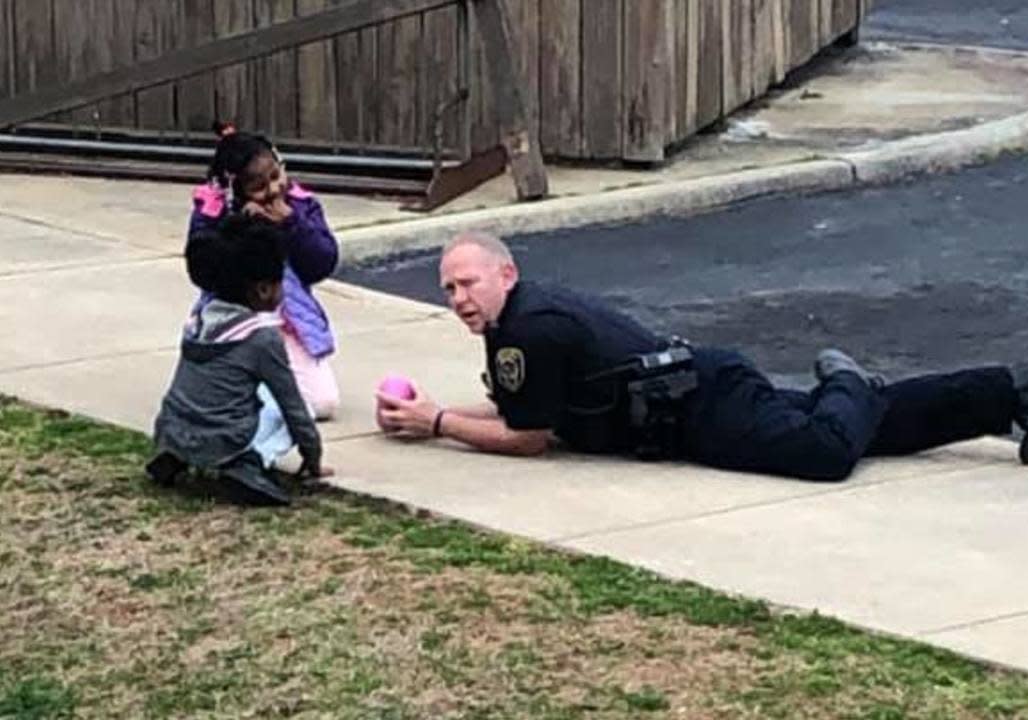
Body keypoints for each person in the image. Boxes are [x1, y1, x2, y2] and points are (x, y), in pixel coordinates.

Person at [376, 231, 1028, 481]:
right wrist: (436, 413)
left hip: (703, 407)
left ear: (507, 274)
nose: (458, 297)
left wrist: (433, 423)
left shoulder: (528, 328)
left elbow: (527, 437)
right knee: (880, 426)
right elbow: (519, 407)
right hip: (691, 398)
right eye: (449, 289)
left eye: (468, 283)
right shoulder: (514, 322)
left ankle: (847, 376)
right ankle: (1008, 394)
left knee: (828, 453)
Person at [148, 214, 332, 506]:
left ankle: (174, 456)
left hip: (173, 428)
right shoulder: (262, 339)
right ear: (263, 289)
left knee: (219, 390)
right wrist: (313, 457)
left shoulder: (198, 321)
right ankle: (248, 463)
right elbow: (292, 406)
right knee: (300, 408)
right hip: (224, 439)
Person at [188, 121, 340, 420]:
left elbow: (322, 263)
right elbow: (203, 270)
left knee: (323, 404)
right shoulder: (213, 214)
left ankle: (266, 390)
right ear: (235, 190)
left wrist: (292, 225)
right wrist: (242, 229)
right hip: (235, 319)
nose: (273, 190)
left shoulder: (300, 205)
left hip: (287, 319)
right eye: (259, 186)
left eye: (276, 176)